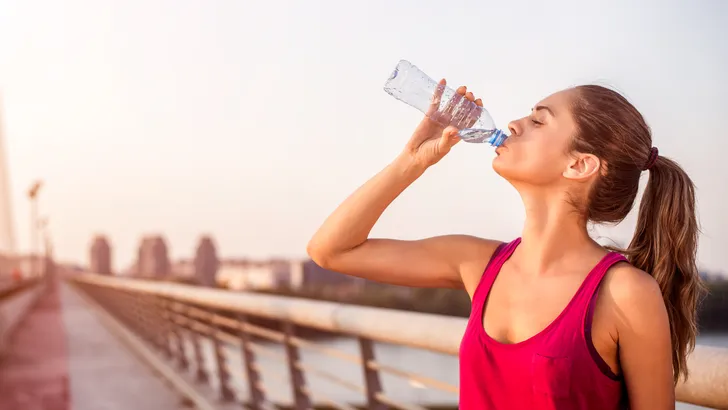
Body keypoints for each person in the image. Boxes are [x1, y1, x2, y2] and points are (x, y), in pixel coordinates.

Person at [306, 79, 704, 409]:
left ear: (579, 164)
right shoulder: (477, 264)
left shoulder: (625, 294)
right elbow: (331, 250)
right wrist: (410, 161)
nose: (513, 124)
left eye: (537, 121)